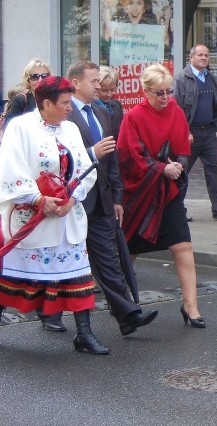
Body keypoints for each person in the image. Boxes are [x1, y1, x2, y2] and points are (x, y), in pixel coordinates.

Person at [0, 76, 108, 355]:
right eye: (65, 103)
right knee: (14, 273)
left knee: (77, 274)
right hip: (30, 215)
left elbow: (84, 166)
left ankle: (84, 334)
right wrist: (37, 198)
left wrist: (72, 198)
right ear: (46, 103)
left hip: (66, 216)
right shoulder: (20, 127)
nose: (70, 108)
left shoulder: (69, 129)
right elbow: (11, 169)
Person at [67, 60, 158, 336]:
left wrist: (118, 196)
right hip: (73, 202)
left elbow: (112, 158)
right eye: (93, 81)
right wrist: (90, 151)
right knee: (66, 263)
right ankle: (44, 311)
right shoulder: (63, 112)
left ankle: (127, 315)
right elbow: (61, 157)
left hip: (103, 200)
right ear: (75, 83)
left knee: (109, 259)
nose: (98, 85)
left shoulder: (101, 113)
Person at [117, 63, 205, 328]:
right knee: (130, 250)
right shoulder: (133, 117)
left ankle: (191, 307)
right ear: (146, 91)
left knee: (183, 246)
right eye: (159, 93)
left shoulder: (175, 111)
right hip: (141, 193)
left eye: (168, 92)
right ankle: (124, 304)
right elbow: (129, 155)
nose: (165, 98)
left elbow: (182, 147)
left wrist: (178, 164)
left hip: (168, 192)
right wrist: (160, 168)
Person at [173, 44, 217, 221]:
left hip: (208, 133)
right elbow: (176, 108)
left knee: (216, 168)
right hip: (189, 134)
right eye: (200, 55)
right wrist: (184, 131)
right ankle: (177, 212)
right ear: (191, 58)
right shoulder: (182, 79)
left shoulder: (210, 78)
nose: (204, 58)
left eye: (206, 55)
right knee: (182, 172)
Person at [4, 58, 51, 124]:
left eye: (44, 76)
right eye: (35, 77)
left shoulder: (56, 99)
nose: (40, 80)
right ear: (28, 80)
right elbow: (9, 126)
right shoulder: (20, 100)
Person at [96, 66, 125, 139]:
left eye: (112, 90)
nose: (109, 94)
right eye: (104, 90)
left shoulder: (117, 105)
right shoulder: (90, 107)